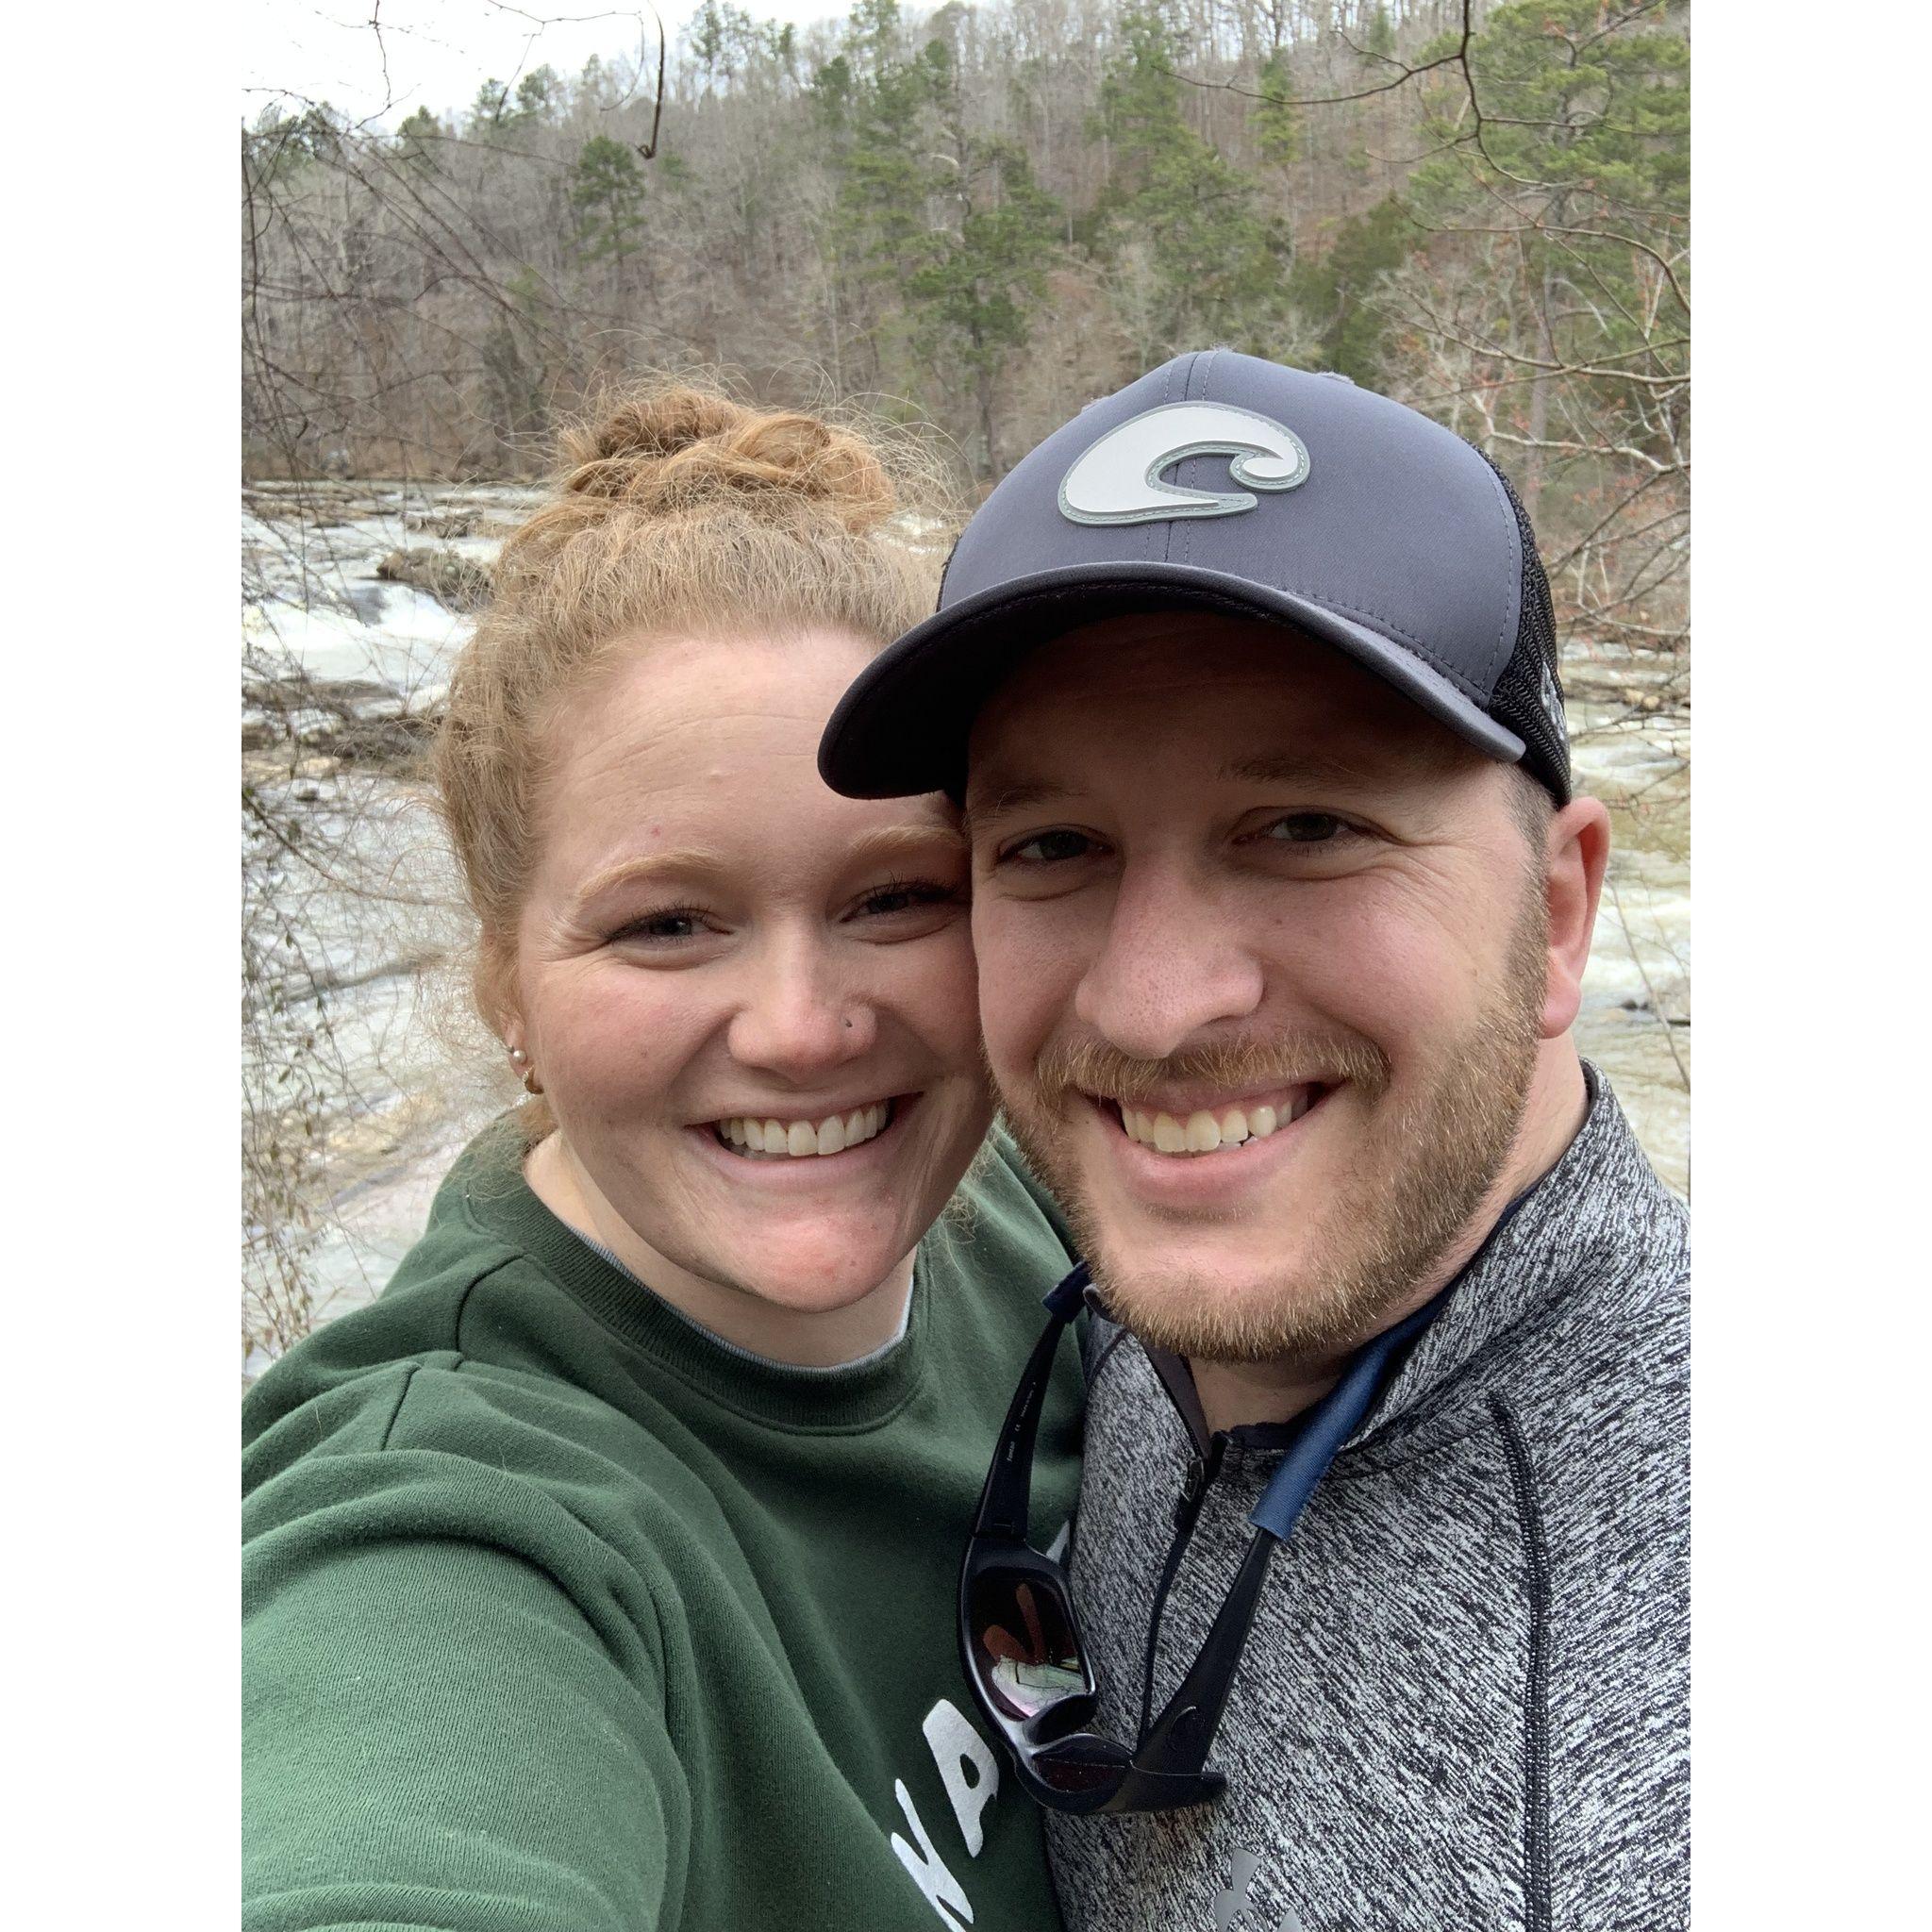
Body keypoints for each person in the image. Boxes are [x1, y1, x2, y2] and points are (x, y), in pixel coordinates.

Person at [820, 349, 1690, 1930]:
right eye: (1055, 845)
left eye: (1307, 828)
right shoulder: (1122, 1284)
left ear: (1558, 915)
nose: (1153, 1011)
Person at [241, 389, 1087, 1931]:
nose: (803, 1029)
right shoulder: (462, 1518)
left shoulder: (1041, 1217)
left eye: (894, 897)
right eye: (667, 924)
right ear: (506, 983)